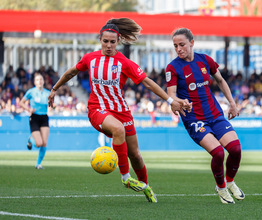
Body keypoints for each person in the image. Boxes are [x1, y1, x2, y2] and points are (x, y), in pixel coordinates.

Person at [48, 18, 191, 203]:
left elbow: (147, 82)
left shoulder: (124, 62)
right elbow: (70, 73)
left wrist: (170, 100)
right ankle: (125, 178)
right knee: (118, 129)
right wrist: (54, 89)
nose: (108, 45)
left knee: (136, 156)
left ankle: (146, 186)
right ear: (100, 40)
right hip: (97, 109)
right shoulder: (90, 59)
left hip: (122, 111)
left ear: (118, 42)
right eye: (105, 41)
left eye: (112, 42)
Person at [165, 28, 245, 204]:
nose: (178, 49)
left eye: (182, 45)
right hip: (194, 119)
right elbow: (172, 94)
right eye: (175, 46)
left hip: (215, 114)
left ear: (192, 43)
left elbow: (221, 80)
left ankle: (230, 182)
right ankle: (222, 187)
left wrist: (232, 103)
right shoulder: (173, 67)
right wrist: (178, 102)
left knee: (236, 149)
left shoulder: (205, 60)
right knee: (218, 153)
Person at [20, 73, 50, 169]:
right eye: (37, 80)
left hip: (44, 117)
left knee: (44, 143)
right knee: (38, 143)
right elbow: (21, 102)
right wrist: (28, 109)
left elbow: (51, 105)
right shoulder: (31, 92)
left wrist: (52, 107)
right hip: (34, 117)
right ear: (34, 82)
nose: (40, 81)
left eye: (41, 79)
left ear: (43, 81)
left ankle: (38, 164)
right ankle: (30, 140)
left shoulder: (47, 93)